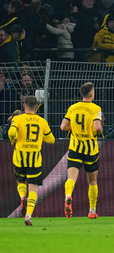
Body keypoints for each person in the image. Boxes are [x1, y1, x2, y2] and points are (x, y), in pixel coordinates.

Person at [8, 96, 55, 226]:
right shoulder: (41, 121)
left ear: (24, 106)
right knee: (33, 188)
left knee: (21, 181)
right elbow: (51, 140)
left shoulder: (17, 118)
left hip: (19, 157)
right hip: (35, 158)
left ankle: (23, 196)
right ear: (36, 107)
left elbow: (11, 132)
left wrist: (14, 139)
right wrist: (41, 136)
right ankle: (28, 214)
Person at [60, 82, 103, 219]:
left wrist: (76, 129)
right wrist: (99, 131)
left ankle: (68, 196)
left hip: (75, 147)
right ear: (91, 94)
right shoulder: (96, 108)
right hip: (90, 149)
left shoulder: (73, 107)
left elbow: (63, 126)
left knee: (71, 178)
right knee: (92, 181)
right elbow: (97, 128)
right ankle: (92, 210)